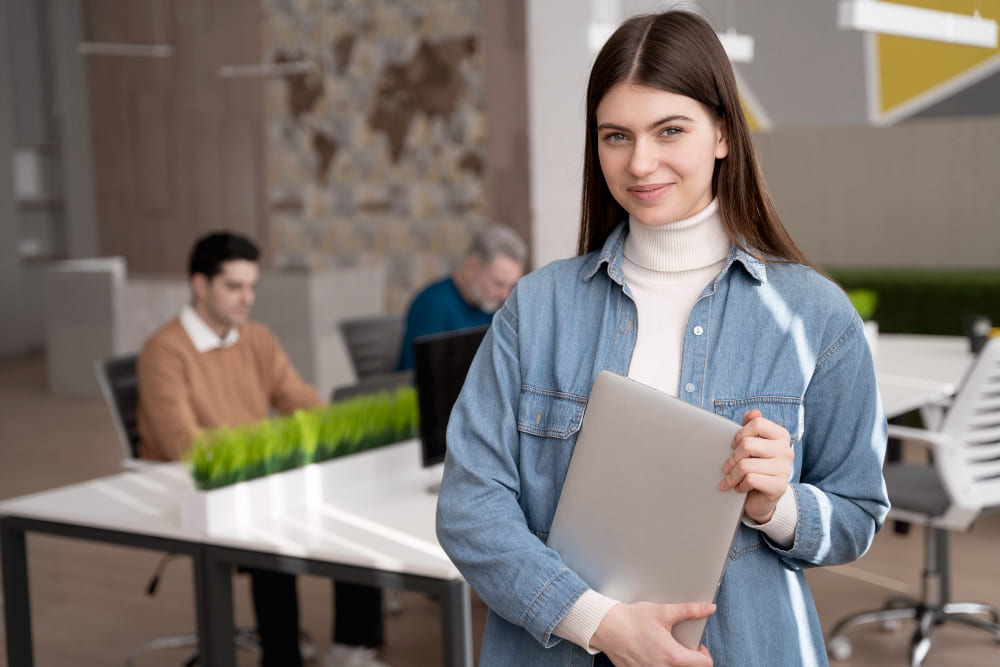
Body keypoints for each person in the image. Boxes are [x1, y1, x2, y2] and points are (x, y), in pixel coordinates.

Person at [436, 10, 889, 667]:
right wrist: (603, 623)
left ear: (724, 134)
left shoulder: (816, 316)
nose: (639, 162)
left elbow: (857, 513)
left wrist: (777, 505)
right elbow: (470, 509)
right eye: (616, 135)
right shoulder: (537, 308)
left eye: (669, 130)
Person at [137, 231, 387, 667]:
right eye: (234, 287)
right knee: (274, 535)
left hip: (255, 473)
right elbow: (185, 444)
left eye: (252, 286)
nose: (246, 298)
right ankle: (281, 655)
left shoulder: (256, 338)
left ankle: (352, 648)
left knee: (352, 505)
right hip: (190, 488)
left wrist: (341, 429)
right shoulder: (165, 351)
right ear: (200, 285)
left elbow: (299, 399)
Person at [396, 225, 526, 370]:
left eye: (511, 286)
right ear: (470, 267)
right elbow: (422, 376)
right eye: (498, 283)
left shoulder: (499, 308)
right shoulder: (431, 304)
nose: (505, 295)